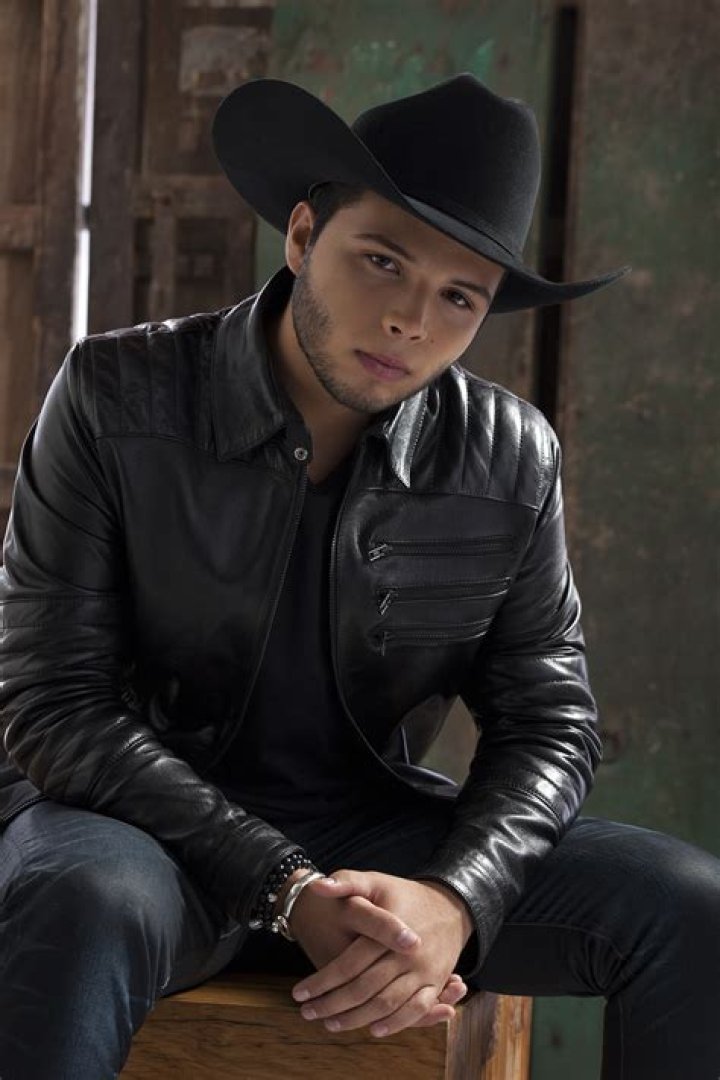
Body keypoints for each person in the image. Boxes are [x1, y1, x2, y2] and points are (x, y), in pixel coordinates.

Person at [0, 73, 717, 1080]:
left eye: (459, 296)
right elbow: (53, 704)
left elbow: (549, 721)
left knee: (688, 904)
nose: (410, 321)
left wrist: (457, 896)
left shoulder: (510, 456)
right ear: (303, 236)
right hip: (133, 830)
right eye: (382, 262)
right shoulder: (115, 396)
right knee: (87, 898)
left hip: (366, 834)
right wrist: (282, 887)